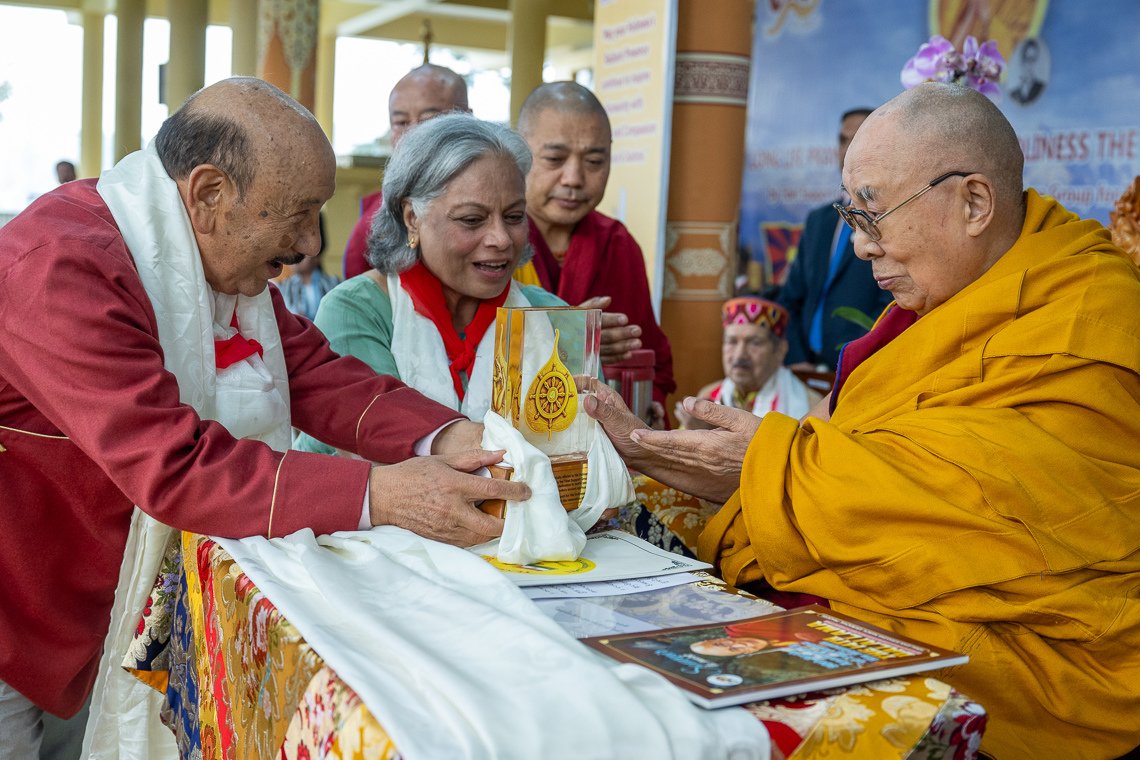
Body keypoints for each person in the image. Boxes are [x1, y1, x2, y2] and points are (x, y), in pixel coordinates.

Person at [584, 82, 1140, 759]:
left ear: (973, 202)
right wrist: (713, 463)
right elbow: (846, 444)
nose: (856, 247)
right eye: (851, 216)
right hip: (887, 596)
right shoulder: (934, 306)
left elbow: (1013, 512)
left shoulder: (1094, 316)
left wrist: (769, 468)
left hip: (1050, 660)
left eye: (871, 216)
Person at [0, 77, 529, 757]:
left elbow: (316, 374)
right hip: (21, 619)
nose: (310, 243)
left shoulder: (209, 265)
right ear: (209, 194)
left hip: (98, 616)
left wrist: (455, 434)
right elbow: (176, 466)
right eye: (299, 212)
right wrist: (385, 494)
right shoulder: (62, 268)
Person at [295, 112, 567, 458]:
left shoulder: (548, 316)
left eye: (514, 217)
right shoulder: (360, 310)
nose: (501, 238)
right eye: (472, 220)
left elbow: (578, 454)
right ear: (412, 218)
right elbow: (378, 447)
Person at [515, 81, 675, 408]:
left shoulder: (617, 244)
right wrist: (570, 340)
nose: (574, 177)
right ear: (519, 152)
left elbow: (651, 360)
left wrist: (650, 406)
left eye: (594, 161)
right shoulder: (492, 241)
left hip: (604, 439)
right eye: (555, 158)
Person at [777, 108, 893, 372]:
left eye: (856, 140)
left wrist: (855, 361)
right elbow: (791, 297)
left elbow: (891, 305)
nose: (846, 149)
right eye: (842, 140)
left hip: (859, 369)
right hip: (804, 368)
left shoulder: (891, 218)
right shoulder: (819, 220)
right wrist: (796, 357)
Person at [342, 63, 471, 279]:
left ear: (467, 118)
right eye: (401, 122)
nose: (412, 133)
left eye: (428, 119)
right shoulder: (376, 217)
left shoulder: (497, 195)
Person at [677, 296, 821, 429]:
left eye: (754, 343)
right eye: (731, 342)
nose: (740, 354)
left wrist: (708, 434)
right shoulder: (709, 395)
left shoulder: (811, 406)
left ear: (780, 350)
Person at [279, 213, 340, 320]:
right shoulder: (281, 289)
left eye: (300, 250)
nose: (294, 255)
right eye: (291, 248)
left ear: (317, 254)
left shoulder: (335, 285)